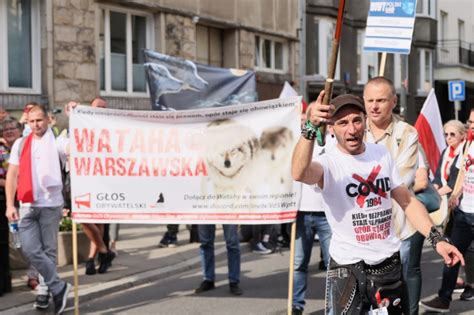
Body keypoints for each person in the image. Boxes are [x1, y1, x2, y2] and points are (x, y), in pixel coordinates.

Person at [291, 91, 464, 314]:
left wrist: (437, 239)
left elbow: (408, 201)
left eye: (356, 120)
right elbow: (299, 172)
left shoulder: (381, 154)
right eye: (342, 123)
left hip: (388, 267)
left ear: (365, 122)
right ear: (332, 129)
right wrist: (309, 128)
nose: (351, 129)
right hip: (347, 269)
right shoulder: (328, 163)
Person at [363, 76, 424, 314]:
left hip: (397, 231)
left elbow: (399, 181)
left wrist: (359, 181)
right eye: (370, 100)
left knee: (394, 298)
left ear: (393, 101)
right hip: (362, 234)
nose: (374, 106)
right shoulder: (354, 129)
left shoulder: (406, 133)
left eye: (381, 100)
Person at [5, 105, 72, 313]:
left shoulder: (58, 141)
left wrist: (75, 119)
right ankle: (59, 286)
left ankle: (44, 290)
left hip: (51, 204)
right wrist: (9, 204)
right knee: (30, 249)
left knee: (48, 251)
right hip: (27, 203)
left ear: (48, 120)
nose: (36, 124)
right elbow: (12, 175)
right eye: (32, 121)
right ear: (27, 122)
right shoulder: (21, 143)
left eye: (39, 120)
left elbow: (72, 149)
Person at [420, 108, 474, 312]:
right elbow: (462, 174)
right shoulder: (468, 145)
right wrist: (456, 194)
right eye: (469, 121)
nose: (471, 125)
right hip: (463, 213)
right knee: (451, 255)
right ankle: (444, 299)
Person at [292, 129, 333, 314]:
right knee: (299, 263)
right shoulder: (299, 143)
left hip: (327, 213)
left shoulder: (333, 141)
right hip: (300, 213)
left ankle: (335, 305)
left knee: (334, 265)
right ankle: (296, 305)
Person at [81, 97, 116, 275]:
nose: (100, 110)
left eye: (103, 107)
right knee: (84, 217)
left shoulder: (112, 129)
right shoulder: (82, 123)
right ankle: (104, 251)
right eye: (97, 107)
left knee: (100, 220)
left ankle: (92, 259)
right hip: (85, 178)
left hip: (105, 179)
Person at [0, 118, 22, 296]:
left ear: (20, 130)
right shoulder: (1, 150)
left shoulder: (27, 147)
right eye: (5, 129)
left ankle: (36, 278)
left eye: (12, 128)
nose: (8, 131)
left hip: (28, 198)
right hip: (5, 200)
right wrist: (12, 184)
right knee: (3, 243)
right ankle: (4, 283)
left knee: (28, 242)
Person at [195, 224, 242, 296]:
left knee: (232, 244)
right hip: (206, 213)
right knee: (205, 244)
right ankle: (208, 279)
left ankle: (234, 281)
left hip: (228, 212)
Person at [433, 120, 466, 197]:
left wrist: (435, 195)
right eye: (446, 135)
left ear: (462, 135)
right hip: (444, 194)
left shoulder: (464, 152)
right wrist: (432, 193)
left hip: (459, 196)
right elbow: (438, 177)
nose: (448, 137)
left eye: (452, 134)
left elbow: (454, 183)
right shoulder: (445, 151)